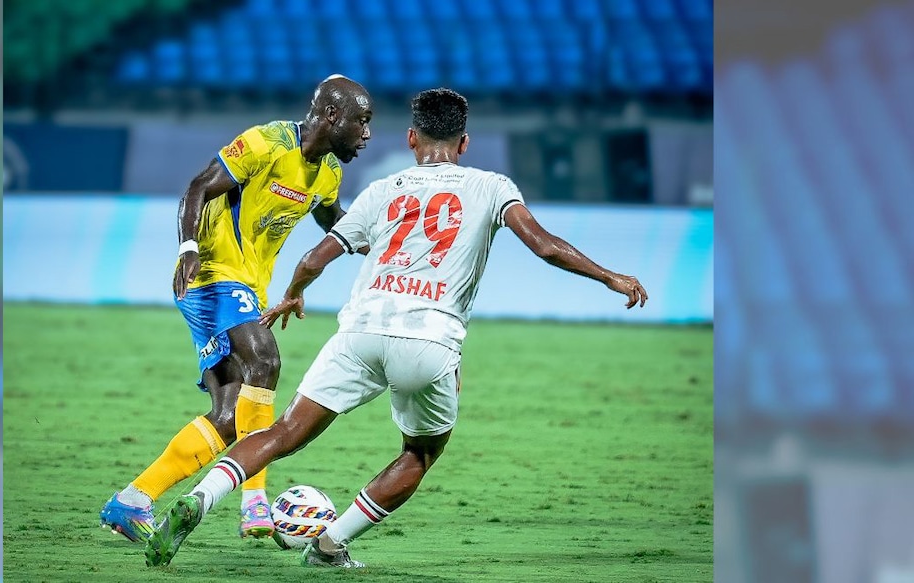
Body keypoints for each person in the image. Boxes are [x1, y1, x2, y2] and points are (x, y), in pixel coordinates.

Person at [143, 88, 648, 568]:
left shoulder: (382, 190)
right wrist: (610, 276)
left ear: (411, 139)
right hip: (429, 341)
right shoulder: (492, 186)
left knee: (285, 431)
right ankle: (329, 546)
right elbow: (544, 245)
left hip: (359, 331)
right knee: (419, 452)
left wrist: (295, 293)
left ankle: (199, 499)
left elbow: (316, 256)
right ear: (464, 143)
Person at [100, 75, 373, 543]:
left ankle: (132, 501)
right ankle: (254, 501)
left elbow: (333, 222)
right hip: (211, 273)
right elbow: (198, 187)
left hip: (247, 286)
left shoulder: (328, 173)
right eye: (362, 122)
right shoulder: (265, 143)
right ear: (332, 116)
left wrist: (383, 240)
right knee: (265, 360)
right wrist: (187, 246)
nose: (367, 134)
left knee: (229, 418)